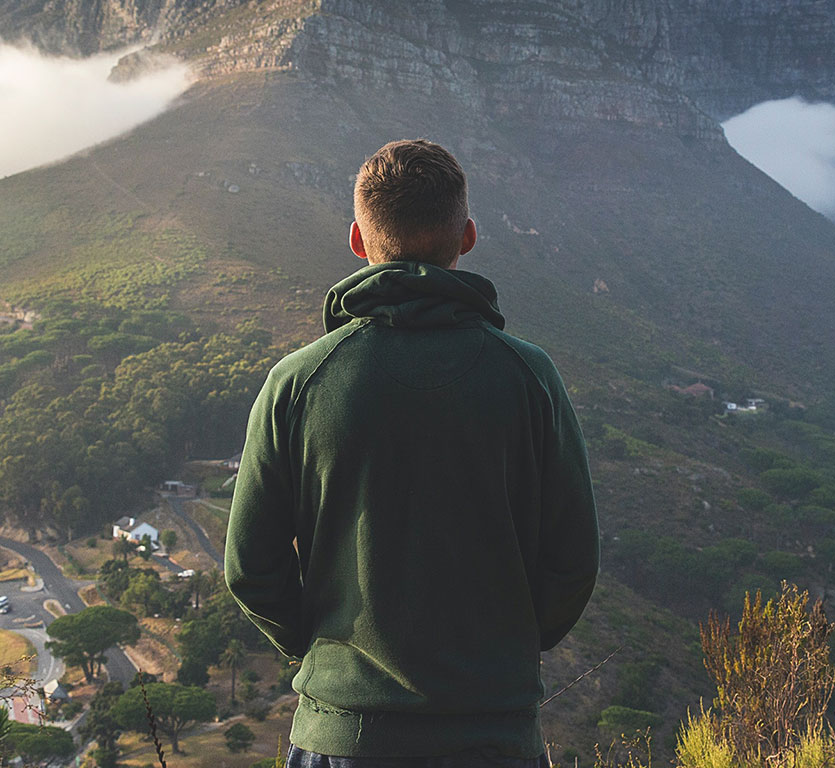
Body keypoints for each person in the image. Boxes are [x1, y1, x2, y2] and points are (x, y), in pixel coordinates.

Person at [226, 138, 600, 766]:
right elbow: (572, 560)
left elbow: (250, 566)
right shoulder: (529, 377)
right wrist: (503, 651)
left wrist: (324, 651)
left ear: (357, 240)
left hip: (342, 738)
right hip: (494, 738)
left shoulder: (298, 381)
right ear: (469, 235)